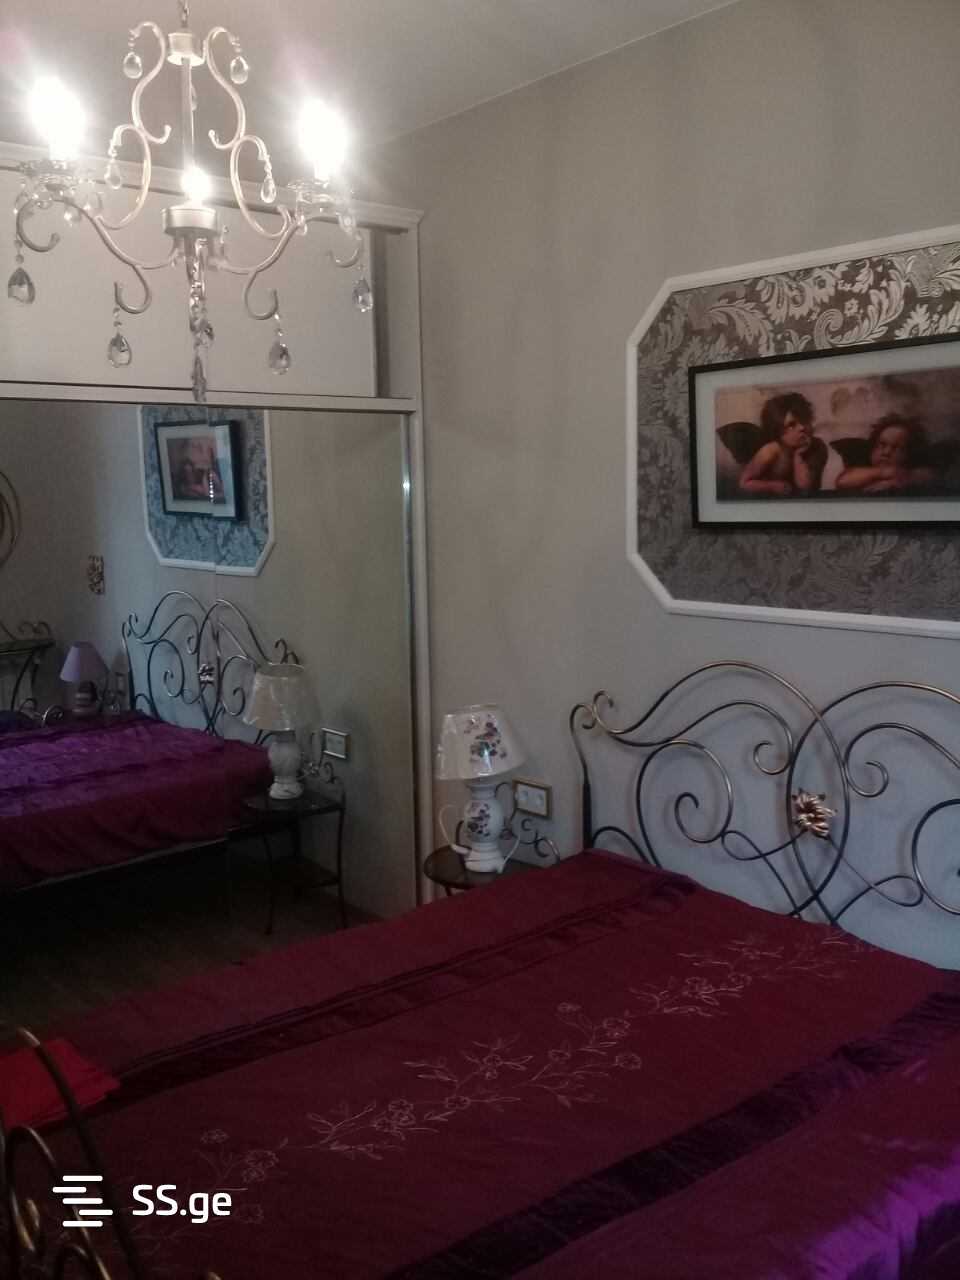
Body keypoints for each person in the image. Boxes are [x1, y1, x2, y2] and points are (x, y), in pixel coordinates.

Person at [737, 392, 826, 496]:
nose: (802, 427)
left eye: (804, 420)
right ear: (777, 431)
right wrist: (771, 486)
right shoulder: (770, 451)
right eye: (792, 425)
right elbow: (744, 483)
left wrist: (798, 456)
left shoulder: (817, 446)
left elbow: (805, 487)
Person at [834, 415, 936, 493]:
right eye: (882, 445)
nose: (886, 452)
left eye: (896, 448)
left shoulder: (915, 472)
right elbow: (842, 481)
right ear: (872, 449)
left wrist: (898, 481)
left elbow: (929, 476)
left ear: (910, 453)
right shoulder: (863, 465)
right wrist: (884, 472)